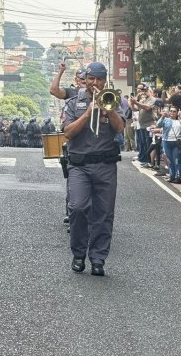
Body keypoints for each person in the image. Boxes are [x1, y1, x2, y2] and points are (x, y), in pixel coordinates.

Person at [63, 62, 125, 277]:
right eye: (91, 79)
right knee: (78, 208)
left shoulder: (114, 99)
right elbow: (68, 133)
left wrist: (109, 110)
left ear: (105, 81)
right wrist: (89, 112)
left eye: (99, 79)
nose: (95, 83)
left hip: (106, 165)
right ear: (86, 79)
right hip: (80, 165)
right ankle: (79, 253)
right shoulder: (73, 102)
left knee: (104, 214)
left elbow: (120, 128)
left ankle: (98, 258)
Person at [130, 84, 157, 168]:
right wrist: (132, 102)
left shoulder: (152, 99)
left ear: (150, 91)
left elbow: (147, 108)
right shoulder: (143, 100)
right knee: (144, 144)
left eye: (146, 91)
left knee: (149, 144)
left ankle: (151, 162)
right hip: (142, 125)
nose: (144, 93)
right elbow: (135, 108)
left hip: (149, 125)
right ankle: (146, 160)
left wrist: (136, 102)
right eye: (143, 91)